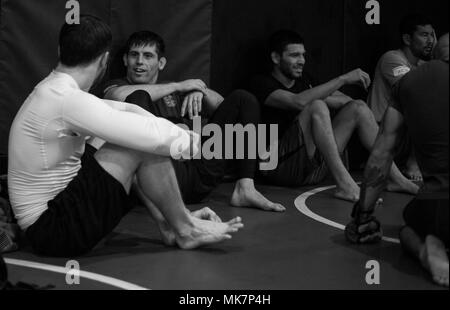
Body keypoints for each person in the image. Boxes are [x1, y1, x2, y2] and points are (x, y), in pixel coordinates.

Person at [7, 16, 243, 258]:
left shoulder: (54, 90)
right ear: (105, 60)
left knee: (130, 138)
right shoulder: (66, 99)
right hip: (53, 230)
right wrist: (194, 143)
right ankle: (185, 228)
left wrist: (169, 129)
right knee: (139, 144)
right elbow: (146, 135)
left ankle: (170, 225)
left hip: (52, 217)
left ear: (60, 51)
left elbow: (121, 111)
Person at [103, 31, 285, 213]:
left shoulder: (178, 91)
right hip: (159, 176)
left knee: (243, 99)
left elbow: (225, 107)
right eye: (134, 55)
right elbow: (119, 96)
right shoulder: (117, 85)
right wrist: (178, 85)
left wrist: (200, 91)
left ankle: (245, 188)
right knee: (139, 96)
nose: (140, 61)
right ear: (125, 60)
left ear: (161, 63)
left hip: (198, 172)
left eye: (148, 56)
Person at [247, 30, 418, 202]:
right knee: (317, 106)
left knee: (358, 106)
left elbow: (345, 101)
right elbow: (298, 102)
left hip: (313, 168)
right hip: (278, 168)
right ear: (276, 58)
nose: (302, 61)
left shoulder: (305, 80)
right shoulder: (260, 83)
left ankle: (396, 179)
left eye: (303, 55)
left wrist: (331, 99)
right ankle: (345, 185)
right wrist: (343, 79)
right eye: (294, 55)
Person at [346, 34, 449, 288]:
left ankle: (426, 247)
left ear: (435, 55)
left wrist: (363, 218)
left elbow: (381, 155)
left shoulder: (410, 82)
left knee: (407, 230)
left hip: (437, 208)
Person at [368, 14, 437, 181]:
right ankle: (413, 163)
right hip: (379, 134)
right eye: (424, 35)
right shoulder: (392, 58)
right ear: (407, 38)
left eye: (433, 35)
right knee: (423, 103)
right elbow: (415, 91)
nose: (431, 41)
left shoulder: (423, 65)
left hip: (402, 139)